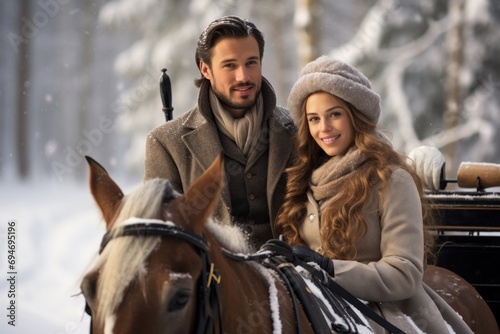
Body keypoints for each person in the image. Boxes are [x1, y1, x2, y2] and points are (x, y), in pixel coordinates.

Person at [274, 55, 472, 333]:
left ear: (356, 116)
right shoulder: (304, 179)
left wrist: (330, 270)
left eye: (335, 114)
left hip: (382, 313)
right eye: (314, 119)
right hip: (316, 306)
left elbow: (405, 274)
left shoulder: (391, 179)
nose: (324, 128)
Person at [144, 16, 296, 250]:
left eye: (251, 63)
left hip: (293, 274)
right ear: (205, 69)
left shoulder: (298, 130)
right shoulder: (166, 144)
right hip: (214, 280)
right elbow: (160, 236)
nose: (243, 76)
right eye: (230, 65)